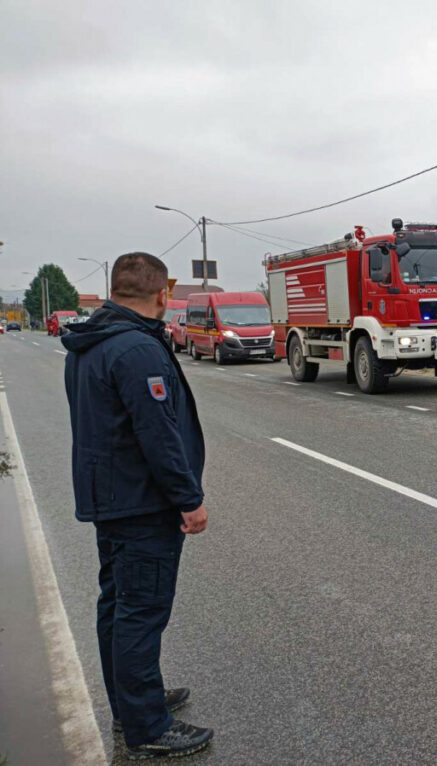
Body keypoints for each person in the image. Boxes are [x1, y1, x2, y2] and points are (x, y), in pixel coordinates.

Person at [62, 252, 214, 759]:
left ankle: (133, 702)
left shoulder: (90, 343)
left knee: (118, 604)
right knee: (141, 611)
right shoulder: (136, 350)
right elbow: (158, 434)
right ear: (161, 295)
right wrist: (188, 499)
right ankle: (147, 724)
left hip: (111, 497)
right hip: (142, 502)